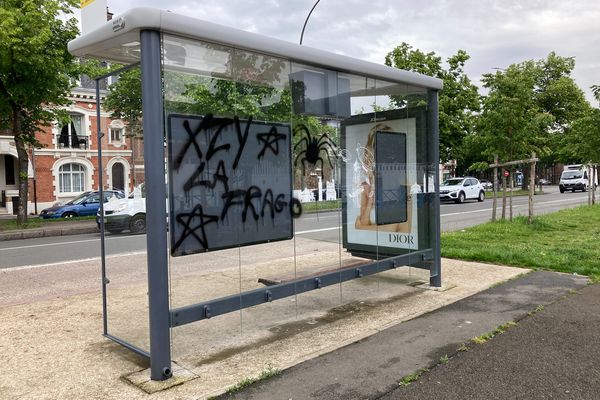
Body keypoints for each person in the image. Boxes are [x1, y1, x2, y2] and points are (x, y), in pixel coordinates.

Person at [354, 123, 412, 233]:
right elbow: (362, 223)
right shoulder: (366, 187)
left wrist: (361, 227)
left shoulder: (402, 183)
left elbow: (401, 228)